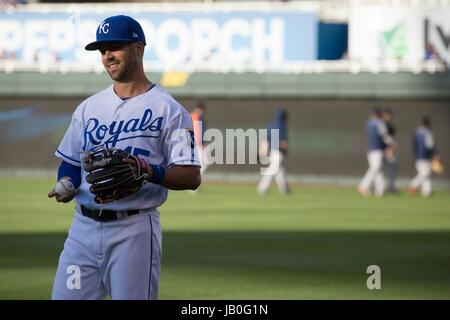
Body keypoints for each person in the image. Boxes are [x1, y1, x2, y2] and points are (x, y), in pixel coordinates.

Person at [47, 15, 201, 300]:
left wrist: (148, 170)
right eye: (102, 50)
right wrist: (66, 181)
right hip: (82, 229)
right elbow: (70, 161)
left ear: (139, 48)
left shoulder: (170, 110)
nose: (107, 56)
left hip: (134, 230)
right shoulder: (88, 108)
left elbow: (191, 176)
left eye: (115, 46)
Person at [358, 108, 393, 197]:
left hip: (371, 149)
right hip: (377, 149)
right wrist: (393, 144)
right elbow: (384, 136)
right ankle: (363, 186)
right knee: (375, 168)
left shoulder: (369, 123)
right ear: (379, 114)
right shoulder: (379, 123)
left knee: (378, 170)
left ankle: (380, 190)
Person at [257, 109, 290, 195]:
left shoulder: (271, 125)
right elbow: (280, 141)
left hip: (272, 150)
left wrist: (263, 149)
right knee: (273, 169)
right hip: (277, 151)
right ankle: (262, 188)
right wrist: (284, 146)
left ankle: (285, 189)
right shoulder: (280, 125)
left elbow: (266, 139)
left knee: (279, 170)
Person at [408, 116, 438, 197]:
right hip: (425, 156)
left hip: (418, 156)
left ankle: (427, 191)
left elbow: (414, 145)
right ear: (427, 123)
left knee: (426, 174)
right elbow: (430, 145)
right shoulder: (428, 132)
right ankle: (413, 184)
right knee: (425, 173)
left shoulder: (416, 131)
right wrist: (435, 154)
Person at [190, 101, 210, 177]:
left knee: (205, 161)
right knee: (202, 162)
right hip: (195, 144)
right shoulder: (193, 117)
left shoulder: (198, 118)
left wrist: (203, 142)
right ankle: (195, 179)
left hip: (197, 144)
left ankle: (196, 178)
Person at [382, 109, 399, 193]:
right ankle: (379, 187)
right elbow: (384, 139)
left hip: (389, 150)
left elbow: (392, 138)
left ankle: (391, 186)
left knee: (393, 168)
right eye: (387, 115)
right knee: (378, 170)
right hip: (383, 150)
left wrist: (394, 146)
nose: (389, 117)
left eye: (390, 115)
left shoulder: (390, 126)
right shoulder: (381, 125)